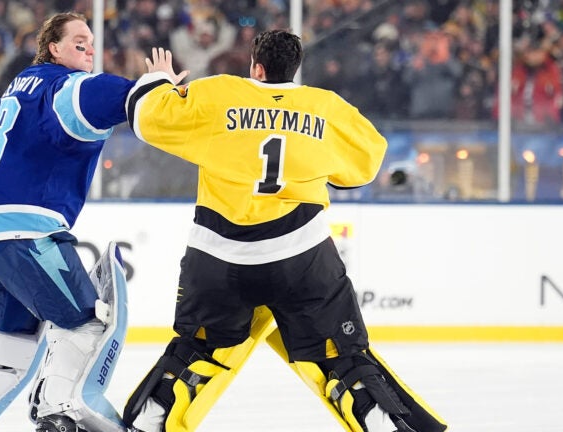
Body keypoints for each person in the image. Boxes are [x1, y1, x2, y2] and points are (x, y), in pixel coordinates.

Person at [122, 31, 448, 432]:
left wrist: (159, 81)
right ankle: (381, 421)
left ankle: (149, 418)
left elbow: (145, 118)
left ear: (255, 67)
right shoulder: (324, 106)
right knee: (341, 357)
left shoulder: (220, 93)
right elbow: (365, 165)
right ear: (295, 69)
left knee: (196, 349)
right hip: (302, 256)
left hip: (217, 257)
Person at [0, 12, 182, 432]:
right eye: (79, 41)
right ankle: (56, 414)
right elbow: (123, 98)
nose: (90, 48)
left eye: (92, 42)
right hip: (18, 232)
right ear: (53, 48)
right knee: (86, 322)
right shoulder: (67, 87)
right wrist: (158, 83)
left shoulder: (14, 92)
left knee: (10, 342)